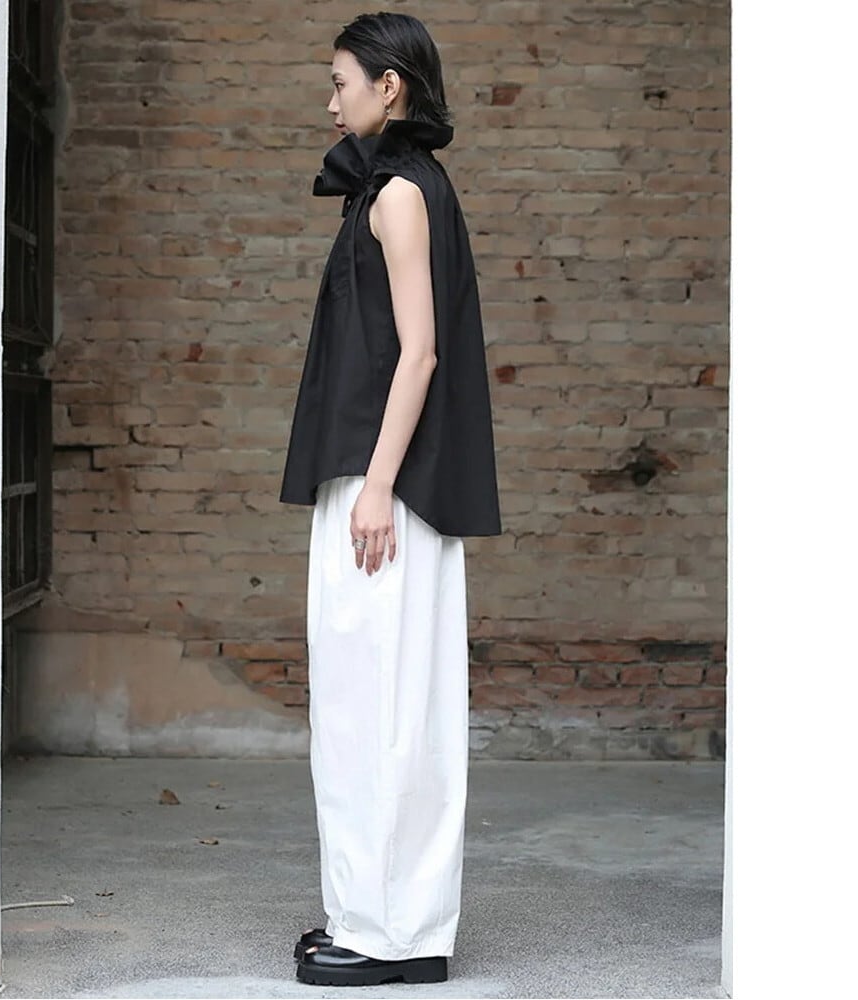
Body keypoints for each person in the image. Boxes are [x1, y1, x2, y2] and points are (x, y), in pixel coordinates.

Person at [279, 11, 502, 988]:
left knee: (381, 710)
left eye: (340, 82)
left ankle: (389, 936)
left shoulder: (403, 194)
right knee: (368, 707)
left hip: (388, 488)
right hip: (377, 480)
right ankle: (374, 919)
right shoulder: (392, 189)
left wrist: (375, 486)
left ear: (388, 86)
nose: (331, 102)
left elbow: (419, 353)